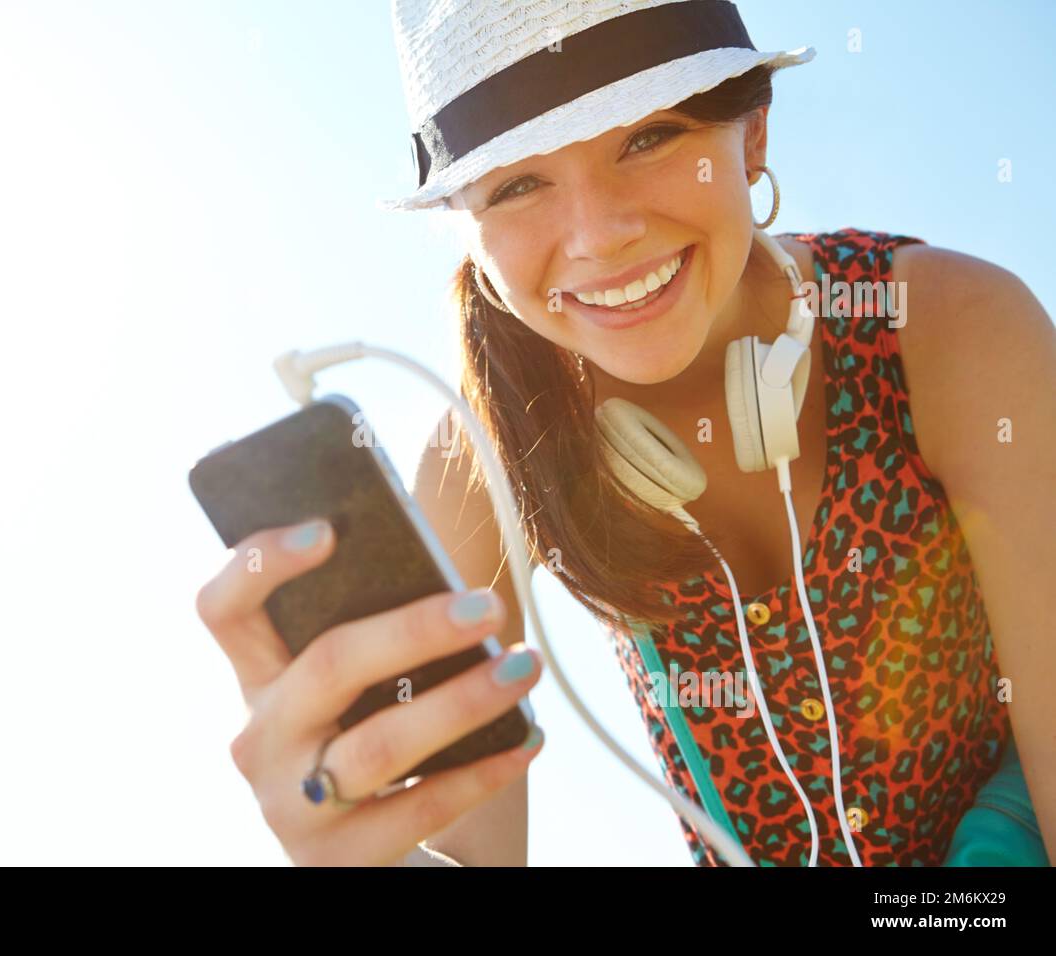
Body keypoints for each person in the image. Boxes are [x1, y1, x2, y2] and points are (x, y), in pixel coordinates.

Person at [195, 0, 1056, 866]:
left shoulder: (945, 326)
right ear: (468, 226)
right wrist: (356, 852)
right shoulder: (482, 455)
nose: (600, 238)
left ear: (752, 133)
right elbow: (461, 852)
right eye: (518, 185)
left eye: (648, 136)